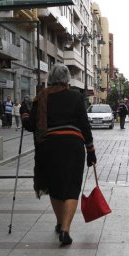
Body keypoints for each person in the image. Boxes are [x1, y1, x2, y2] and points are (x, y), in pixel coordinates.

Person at [21, 63, 96, 246]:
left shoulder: (42, 97)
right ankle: (65, 229)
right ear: (67, 79)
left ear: (51, 79)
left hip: (49, 147)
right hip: (73, 145)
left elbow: (31, 126)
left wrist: (24, 113)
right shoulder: (76, 97)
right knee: (72, 187)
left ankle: (59, 222)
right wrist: (91, 150)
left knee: (54, 186)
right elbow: (84, 125)